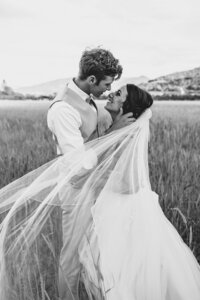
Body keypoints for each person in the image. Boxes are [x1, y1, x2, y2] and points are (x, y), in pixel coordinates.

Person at [0, 84, 200, 300]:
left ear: (128, 106)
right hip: (110, 206)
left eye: (118, 93)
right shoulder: (118, 129)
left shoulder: (129, 134)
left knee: (122, 268)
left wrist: (94, 179)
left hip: (123, 211)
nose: (111, 94)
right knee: (111, 266)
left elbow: (129, 184)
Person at [47, 47, 135, 300]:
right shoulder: (63, 109)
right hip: (76, 189)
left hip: (94, 186)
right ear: (92, 79)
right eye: (106, 84)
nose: (108, 90)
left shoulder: (85, 99)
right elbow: (79, 166)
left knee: (95, 248)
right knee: (72, 254)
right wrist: (113, 132)